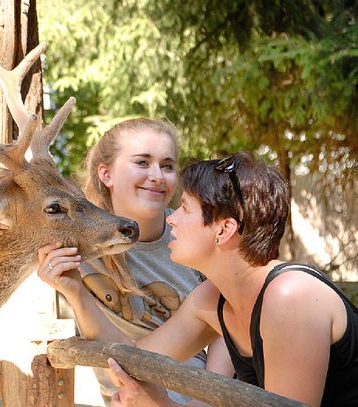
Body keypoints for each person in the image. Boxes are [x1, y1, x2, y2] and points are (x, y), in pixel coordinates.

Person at [0, 118, 233, 405]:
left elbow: (228, 323)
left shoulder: (193, 235)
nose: (157, 175)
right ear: (106, 174)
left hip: (195, 394)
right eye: (142, 163)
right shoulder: (72, 234)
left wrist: (206, 401)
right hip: (122, 396)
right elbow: (25, 208)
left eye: (167, 165)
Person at [38, 151, 358, 407]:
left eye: (186, 209)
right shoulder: (212, 299)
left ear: (224, 230)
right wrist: (75, 292)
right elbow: (135, 357)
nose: (172, 220)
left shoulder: (291, 298)